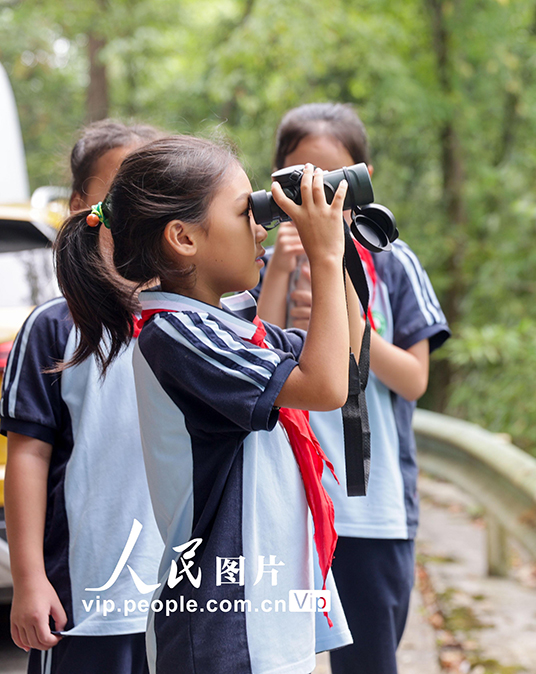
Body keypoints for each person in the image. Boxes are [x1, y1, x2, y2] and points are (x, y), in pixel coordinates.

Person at [51, 135, 360, 674]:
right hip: (224, 634)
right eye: (248, 211)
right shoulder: (175, 335)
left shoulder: (228, 330)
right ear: (183, 238)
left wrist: (339, 245)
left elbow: (346, 360)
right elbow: (325, 386)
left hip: (262, 619)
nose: (262, 226)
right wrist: (323, 254)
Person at [258, 103, 450, 674]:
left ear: (360, 183)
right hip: (281, 505)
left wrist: (348, 319)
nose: (315, 198)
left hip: (371, 510)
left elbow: (414, 380)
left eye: (331, 182)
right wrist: (276, 277)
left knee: (368, 664)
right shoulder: (258, 260)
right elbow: (248, 361)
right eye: (300, 183)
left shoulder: (391, 260)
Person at [1, 120, 163, 674]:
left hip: (185, 603)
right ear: (80, 207)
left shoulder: (200, 322)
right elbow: (29, 453)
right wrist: (29, 578)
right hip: (82, 601)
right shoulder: (52, 326)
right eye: (123, 194)